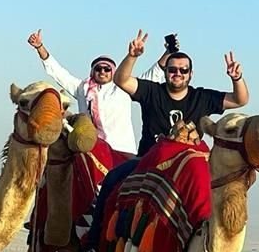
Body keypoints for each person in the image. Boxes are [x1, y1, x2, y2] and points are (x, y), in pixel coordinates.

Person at [73, 29, 250, 252]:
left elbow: (240, 100)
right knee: (112, 181)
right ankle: (93, 245)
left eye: (183, 70)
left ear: (190, 74)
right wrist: (132, 56)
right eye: (173, 70)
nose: (177, 74)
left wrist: (236, 78)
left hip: (188, 166)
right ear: (166, 71)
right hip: (149, 161)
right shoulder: (152, 92)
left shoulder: (202, 97)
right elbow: (122, 80)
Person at [26, 29, 167, 158]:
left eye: (107, 69)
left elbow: (153, 75)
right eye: (98, 68)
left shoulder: (123, 88)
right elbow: (58, 72)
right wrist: (40, 47)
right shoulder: (82, 88)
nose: (102, 72)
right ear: (93, 71)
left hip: (122, 151)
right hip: (90, 152)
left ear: (113, 72)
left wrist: (169, 52)